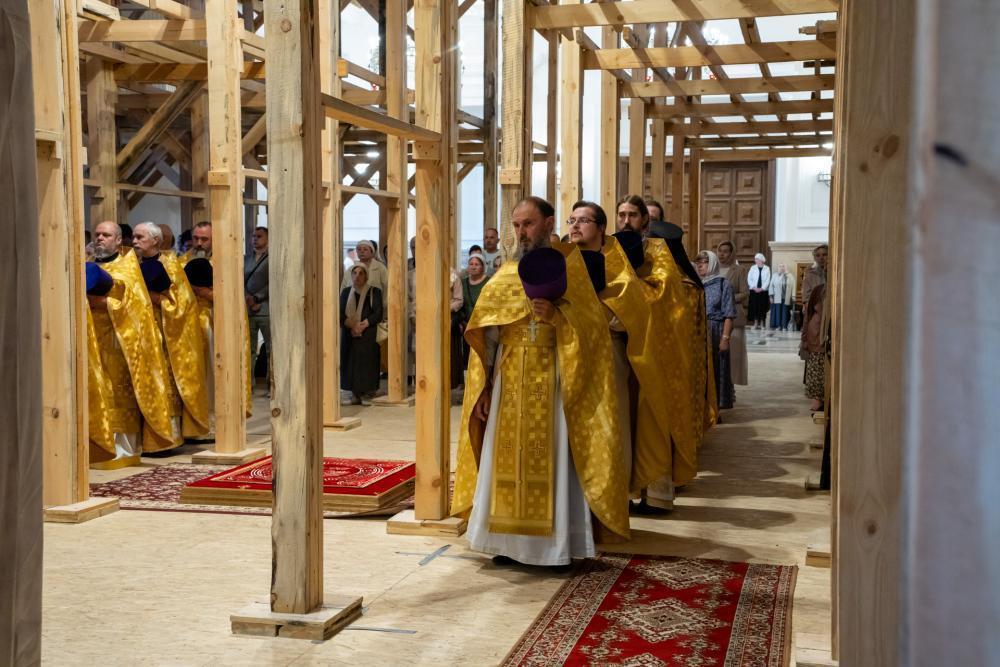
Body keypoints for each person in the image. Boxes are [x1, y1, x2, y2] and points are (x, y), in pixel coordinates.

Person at [452, 196, 630, 569]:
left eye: (528, 224)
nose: (521, 232)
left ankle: (555, 548)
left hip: (555, 380)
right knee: (506, 460)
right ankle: (505, 543)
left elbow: (593, 331)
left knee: (554, 458)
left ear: (548, 224)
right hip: (509, 385)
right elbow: (488, 337)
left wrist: (558, 317)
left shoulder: (573, 269)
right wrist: (485, 388)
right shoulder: (504, 275)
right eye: (516, 225)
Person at [569, 201, 674, 516]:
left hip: (610, 353)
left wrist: (590, 312)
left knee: (613, 424)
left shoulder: (617, 263)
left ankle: (615, 494)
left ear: (601, 227)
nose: (575, 226)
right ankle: (576, 497)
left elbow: (629, 312)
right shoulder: (564, 258)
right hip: (571, 352)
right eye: (571, 220)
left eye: (583, 220)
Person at [86, 221, 180, 460]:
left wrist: (106, 303)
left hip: (119, 344)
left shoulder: (129, 268)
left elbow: (137, 307)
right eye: (97, 234)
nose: (100, 238)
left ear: (118, 240)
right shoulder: (86, 265)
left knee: (117, 392)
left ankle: (121, 447)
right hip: (90, 341)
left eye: (106, 235)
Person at [133, 222, 210, 442]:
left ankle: (168, 435)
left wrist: (156, 299)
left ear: (155, 241)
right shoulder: (130, 265)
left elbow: (182, 303)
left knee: (164, 384)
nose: (135, 242)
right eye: (134, 237)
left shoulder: (171, 266)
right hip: (138, 334)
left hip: (164, 336)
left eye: (140, 238)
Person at [695, 250, 736, 410]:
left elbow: (729, 314)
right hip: (698, 332)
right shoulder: (696, 285)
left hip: (716, 330)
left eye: (704, 262)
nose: (699, 266)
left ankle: (715, 408)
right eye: (698, 262)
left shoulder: (723, 284)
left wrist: (725, 338)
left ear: (712, 264)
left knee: (716, 369)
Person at [340, 263, 383, 405]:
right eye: (354, 273)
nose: (357, 276)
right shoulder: (346, 292)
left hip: (368, 333)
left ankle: (367, 393)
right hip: (350, 333)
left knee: (367, 363)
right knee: (351, 363)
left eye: (361, 273)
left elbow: (377, 313)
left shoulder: (374, 291)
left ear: (366, 276)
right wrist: (352, 325)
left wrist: (362, 325)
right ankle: (355, 394)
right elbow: (340, 312)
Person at [717, 240, 749, 386]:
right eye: (720, 251)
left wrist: (726, 297)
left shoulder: (739, 270)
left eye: (725, 251)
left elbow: (744, 293)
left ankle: (731, 386)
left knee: (734, 355)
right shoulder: (713, 269)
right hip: (716, 317)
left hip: (734, 316)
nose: (721, 254)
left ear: (731, 253)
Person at [245, 226, 270, 388]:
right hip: (248, 308)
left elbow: (273, 282)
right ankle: (249, 384)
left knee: (270, 349)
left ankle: (271, 383)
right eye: (253, 236)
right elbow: (242, 280)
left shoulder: (272, 258)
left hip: (265, 308)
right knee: (249, 349)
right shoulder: (247, 258)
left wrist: (257, 297)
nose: (255, 239)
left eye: (259, 236)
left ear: (267, 238)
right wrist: (247, 298)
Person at [801, 282, 827, 412]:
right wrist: (804, 338)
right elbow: (808, 315)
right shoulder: (819, 290)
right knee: (816, 368)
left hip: (823, 334)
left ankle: (822, 400)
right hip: (816, 335)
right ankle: (817, 400)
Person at [460, 253, 489, 367]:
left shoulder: (488, 282)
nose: (473, 267)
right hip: (467, 327)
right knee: (468, 358)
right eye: (471, 264)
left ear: (482, 267)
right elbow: (460, 303)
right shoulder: (462, 282)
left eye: (477, 264)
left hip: (484, 327)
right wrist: (463, 322)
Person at [746, 253, 771, 329]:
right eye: (755, 259)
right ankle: (756, 323)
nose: (755, 260)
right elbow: (749, 278)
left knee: (763, 307)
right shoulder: (753, 268)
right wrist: (754, 287)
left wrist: (762, 288)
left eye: (757, 259)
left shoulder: (767, 268)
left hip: (763, 291)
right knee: (754, 307)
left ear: (761, 260)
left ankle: (762, 323)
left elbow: (768, 280)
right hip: (754, 290)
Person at [801, 243, 829, 309]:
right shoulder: (810, 274)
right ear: (815, 258)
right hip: (815, 309)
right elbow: (806, 297)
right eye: (818, 255)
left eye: (824, 255)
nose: (821, 258)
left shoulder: (835, 273)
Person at [768, 263, 795, 331]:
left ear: (786, 267)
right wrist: (771, 296)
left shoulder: (790, 276)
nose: (782, 268)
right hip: (777, 296)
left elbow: (793, 286)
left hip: (786, 297)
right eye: (780, 266)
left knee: (785, 312)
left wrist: (793, 296)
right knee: (777, 312)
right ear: (778, 268)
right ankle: (778, 326)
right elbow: (771, 286)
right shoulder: (775, 275)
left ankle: (784, 326)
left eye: (783, 266)